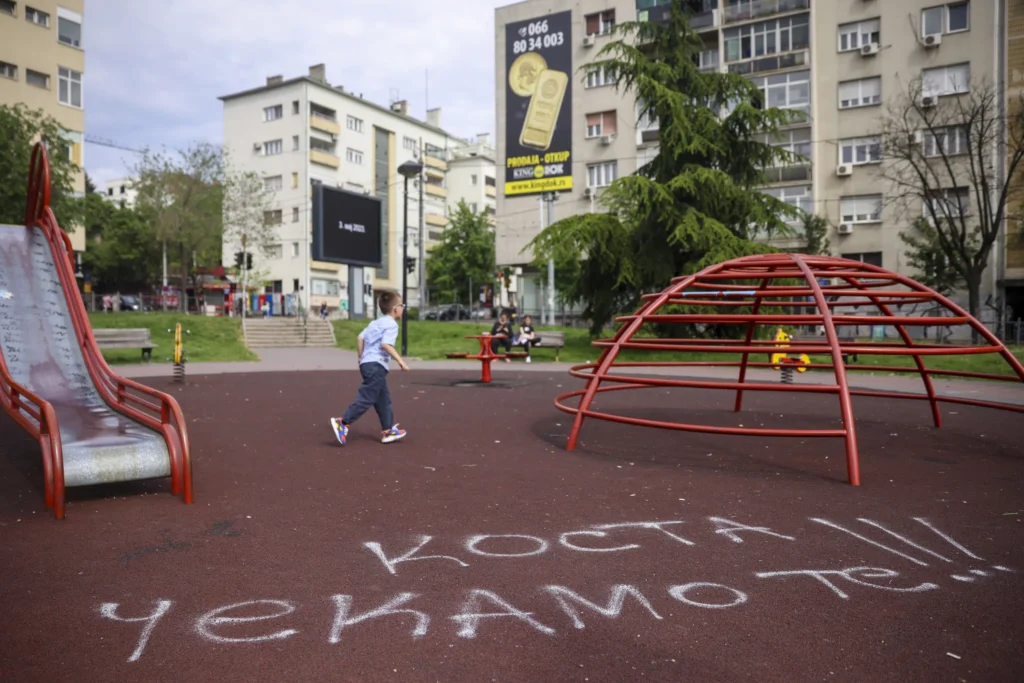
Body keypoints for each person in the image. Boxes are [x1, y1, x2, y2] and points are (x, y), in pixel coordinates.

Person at [330, 291, 410, 445]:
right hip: (377, 365)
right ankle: (343, 422)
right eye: (402, 305)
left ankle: (387, 431)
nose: (403, 308)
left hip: (367, 364)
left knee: (383, 399)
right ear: (395, 309)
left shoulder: (375, 323)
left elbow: (360, 338)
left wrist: (361, 358)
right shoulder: (392, 324)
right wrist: (401, 361)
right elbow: (385, 344)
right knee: (367, 397)